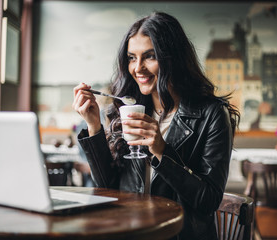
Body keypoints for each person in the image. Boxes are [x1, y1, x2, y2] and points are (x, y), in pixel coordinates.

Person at [72, 12, 240, 240]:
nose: (137, 68)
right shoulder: (130, 109)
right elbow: (109, 186)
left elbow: (208, 200)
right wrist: (94, 126)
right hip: (131, 231)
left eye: (149, 56)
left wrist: (162, 151)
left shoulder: (212, 115)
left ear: (173, 58)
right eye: (132, 58)